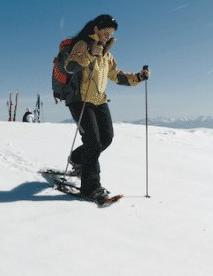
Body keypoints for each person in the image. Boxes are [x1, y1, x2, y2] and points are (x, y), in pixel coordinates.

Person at [63, 14, 150, 203]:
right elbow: (69, 66)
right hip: (80, 100)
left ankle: (78, 158)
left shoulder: (107, 54)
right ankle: (91, 187)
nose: (107, 36)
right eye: (105, 32)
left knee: (106, 138)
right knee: (93, 142)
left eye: (110, 33)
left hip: (99, 100)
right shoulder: (83, 45)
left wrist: (139, 77)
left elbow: (117, 76)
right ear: (95, 29)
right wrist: (89, 53)